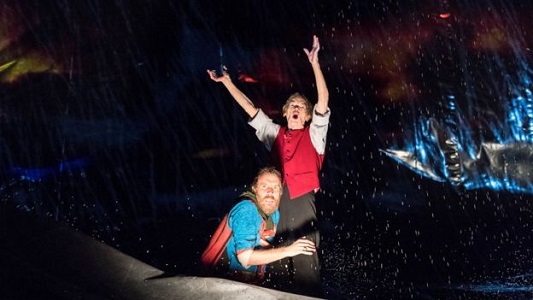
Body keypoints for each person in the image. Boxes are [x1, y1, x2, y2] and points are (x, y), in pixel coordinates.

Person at [207, 35, 330, 297]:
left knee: (304, 252)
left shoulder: (315, 135)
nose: (296, 108)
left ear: (307, 116)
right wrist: (228, 82)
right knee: (277, 256)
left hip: (300, 200)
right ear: (285, 113)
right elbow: (251, 109)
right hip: (272, 202)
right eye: (292, 106)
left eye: (301, 107)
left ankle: (311, 294)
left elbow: (323, 102)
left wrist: (315, 64)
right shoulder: (274, 132)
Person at [203, 167, 316, 284]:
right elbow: (245, 259)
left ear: (280, 193)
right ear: (255, 189)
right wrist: (288, 251)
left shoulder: (274, 213)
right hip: (218, 281)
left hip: (252, 281)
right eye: (264, 186)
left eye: (275, 188)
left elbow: (261, 241)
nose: (270, 192)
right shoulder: (246, 209)